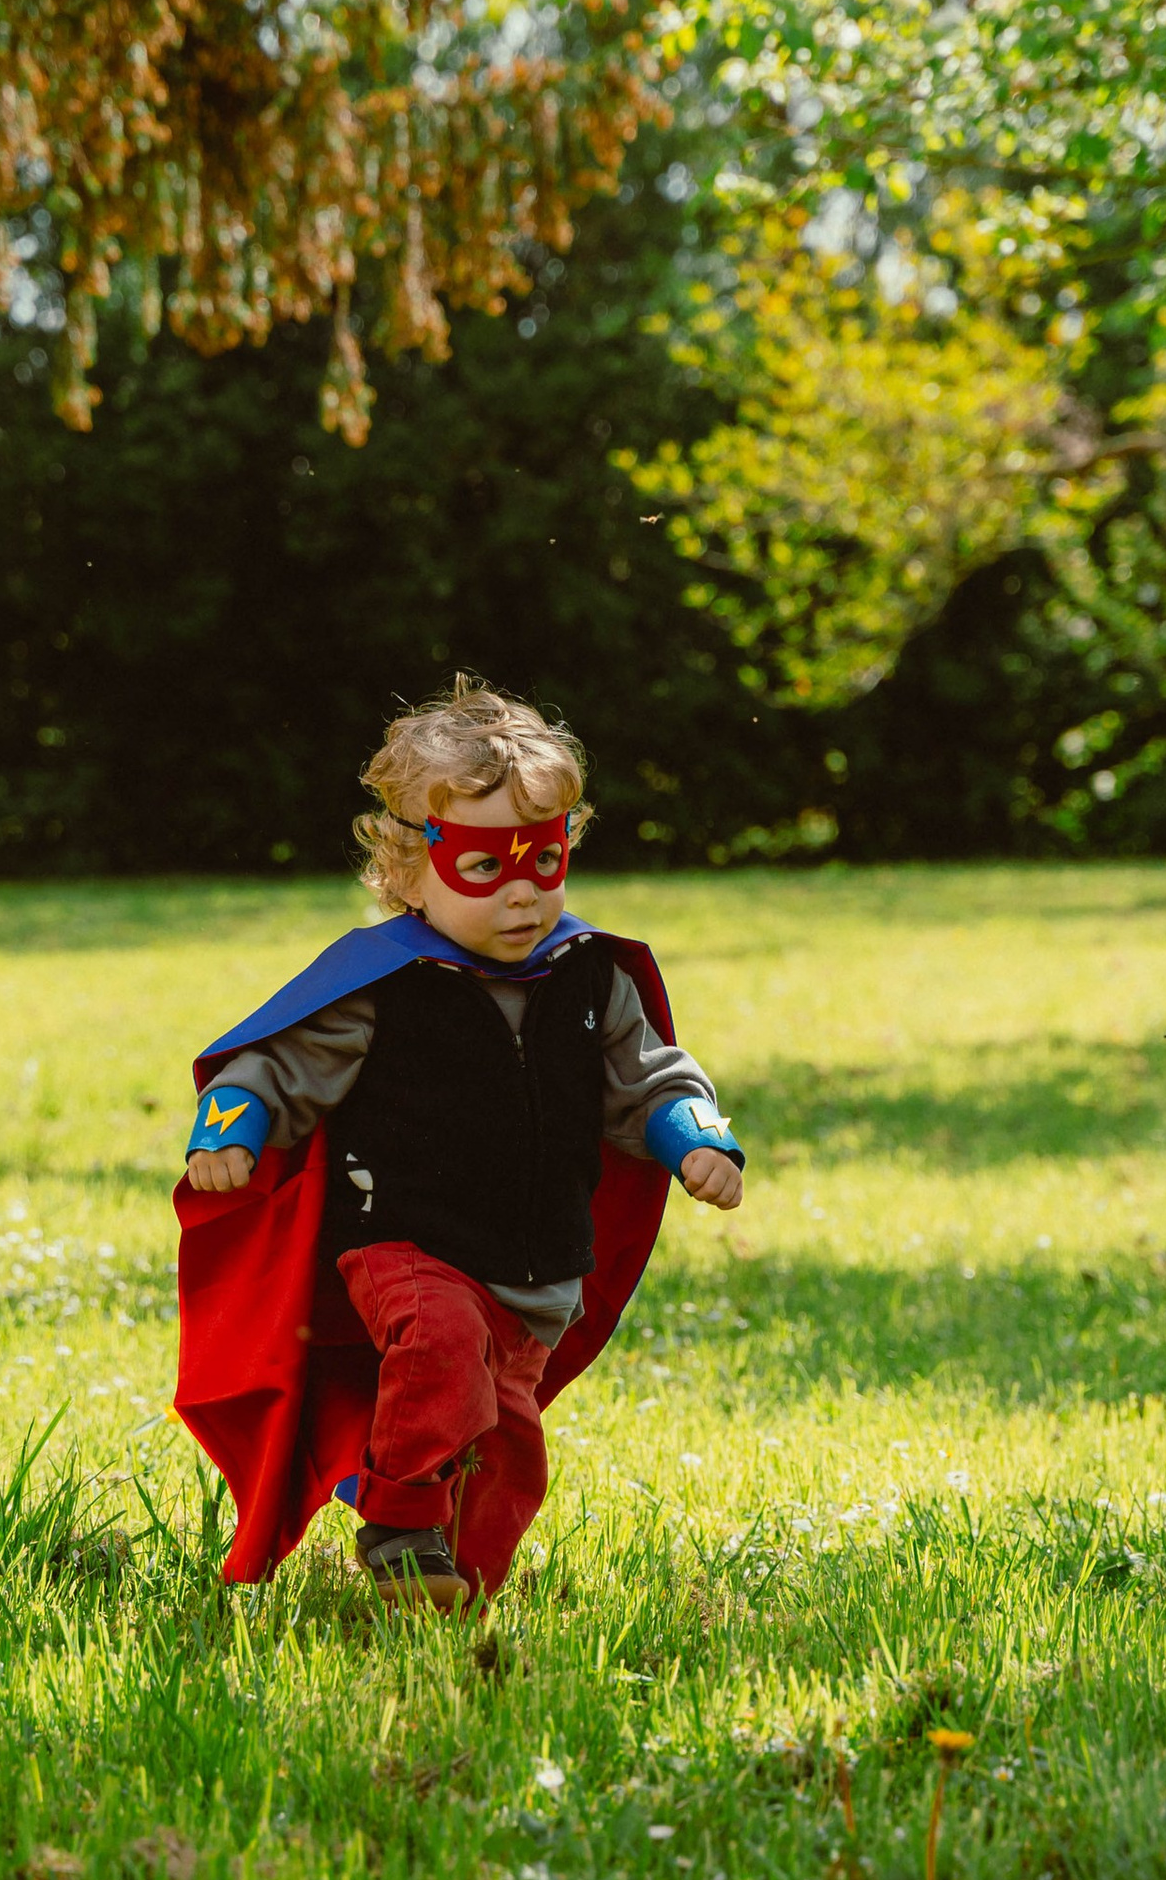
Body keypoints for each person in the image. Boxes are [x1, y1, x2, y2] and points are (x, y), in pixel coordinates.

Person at [172, 679, 743, 1605]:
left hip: (538, 1270)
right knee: (437, 1346)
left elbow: (652, 1077)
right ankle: (398, 1525)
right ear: (409, 869)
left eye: (544, 863)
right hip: (405, 1240)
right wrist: (231, 1127)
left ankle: (455, 1592)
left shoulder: (591, 973)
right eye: (485, 870)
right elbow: (277, 1063)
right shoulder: (382, 983)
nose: (521, 897)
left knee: (505, 1451)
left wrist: (697, 1143)